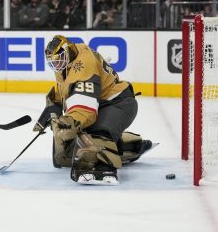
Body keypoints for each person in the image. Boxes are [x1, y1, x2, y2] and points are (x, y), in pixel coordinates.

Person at [34, 35, 153, 185]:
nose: (56, 65)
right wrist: (53, 107)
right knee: (65, 154)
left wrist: (70, 121)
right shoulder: (67, 61)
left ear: (67, 51)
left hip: (117, 104)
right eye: (53, 63)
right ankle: (128, 146)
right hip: (100, 106)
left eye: (58, 60)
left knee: (97, 135)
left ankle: (104, 167)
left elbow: (85, 108)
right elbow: (64, 89)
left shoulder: (84, 64)